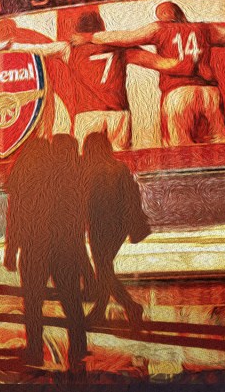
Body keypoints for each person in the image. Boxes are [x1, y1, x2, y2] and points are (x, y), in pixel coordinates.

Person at [4, 11, 186, 151]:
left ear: (77, 31)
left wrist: (11, 46)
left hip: (87, 114)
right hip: (118, 114)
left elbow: (38, 50)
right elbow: (162, 63)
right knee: (121, 162)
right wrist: (188, 63)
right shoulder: (119, 47)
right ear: (102, 27)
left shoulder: (68, 49)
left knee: (87, 166)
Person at [87, 1, 225, 146]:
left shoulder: (159, 28)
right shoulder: (205, 29)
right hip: (209, 93)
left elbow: (126, 38)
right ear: (180, 13)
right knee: (222, 140)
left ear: (163, 16)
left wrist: (90, 37)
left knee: (178, 146)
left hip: (177, 93)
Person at [4, 135, 90, 369]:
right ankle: (78, 347)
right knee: (70, 298)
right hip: (62, 248)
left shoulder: (24, 182)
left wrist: (11, 250)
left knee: (32, 302)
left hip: (33, 248)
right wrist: (81, 258)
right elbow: (74, 221)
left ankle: (34, 350)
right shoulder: (63, 180)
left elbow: (15, 219)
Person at [80, 133, 149, 327]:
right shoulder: (119, 168)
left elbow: (85, 201)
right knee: (104, 268)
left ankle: (129, 306)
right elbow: (130, 198)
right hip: (118, 226)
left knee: (103, 269)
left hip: (98, 225)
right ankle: (104, 309)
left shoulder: (89, 170)